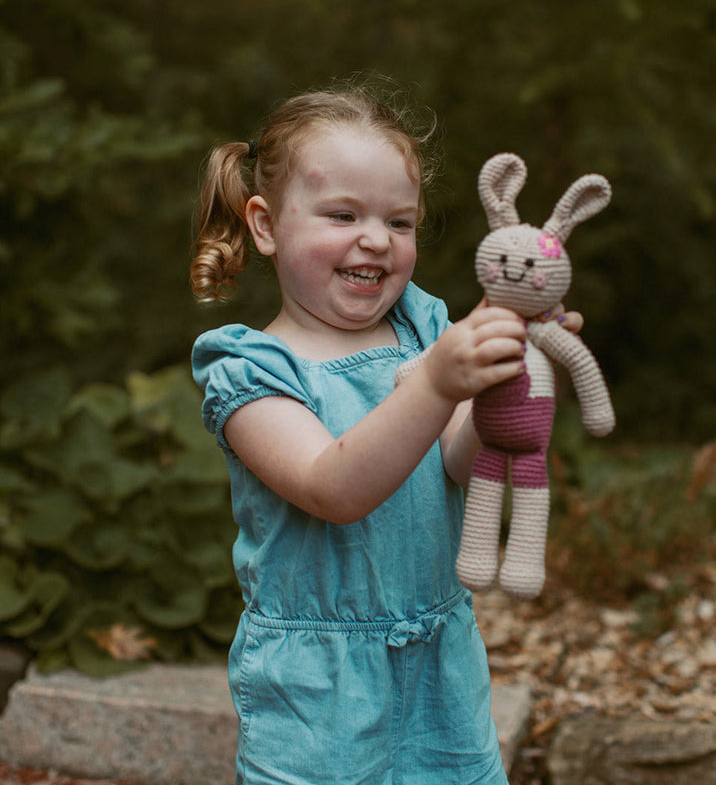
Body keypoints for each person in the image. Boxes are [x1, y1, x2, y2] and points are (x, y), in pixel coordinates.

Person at [191, 83, 581, 785]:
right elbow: (332, 488)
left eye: (400, 223)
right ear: (266, 223)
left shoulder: (424, 328)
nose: (376, 238)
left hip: (441, 662)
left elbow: (458, 461)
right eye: (342, 214)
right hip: (319, 689)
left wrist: (503, 382)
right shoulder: (250, 370)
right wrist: (436, 382)